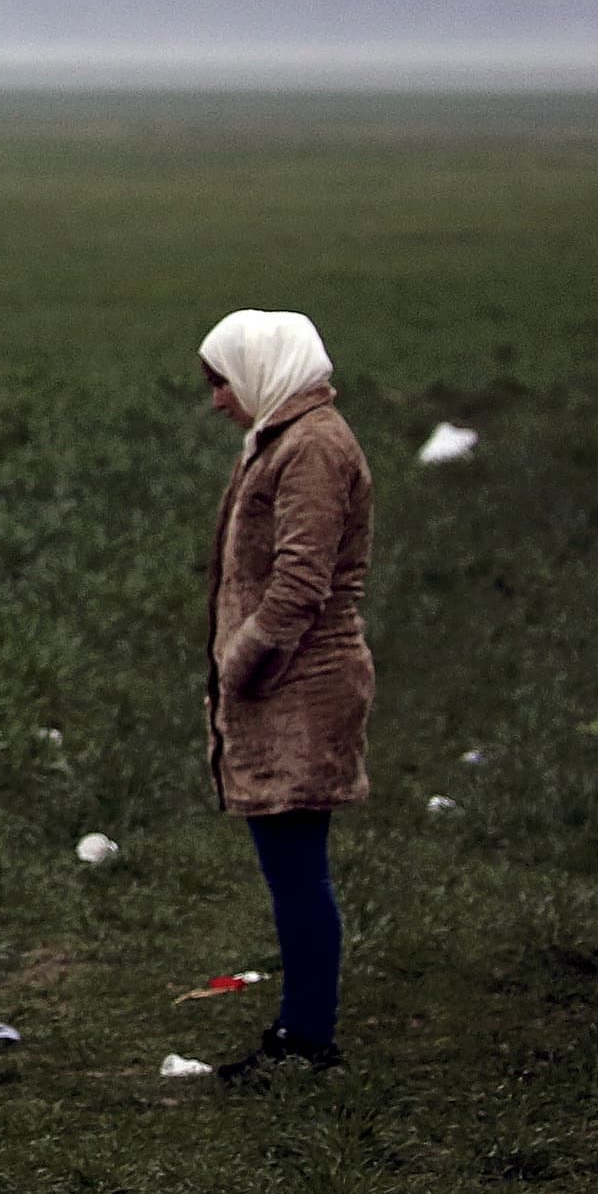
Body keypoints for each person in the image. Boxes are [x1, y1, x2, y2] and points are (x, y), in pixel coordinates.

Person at [194, 308, 374, 1080]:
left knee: (298, 874)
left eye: (222, 382)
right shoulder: (283, 439)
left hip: (300, 687)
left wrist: (239, 666)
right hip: (283, 684)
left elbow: (301, 584)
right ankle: (301, 1029)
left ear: (260, 372)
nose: (217, 400)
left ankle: (307, 1040)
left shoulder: (312, 449)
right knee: (291, 871)